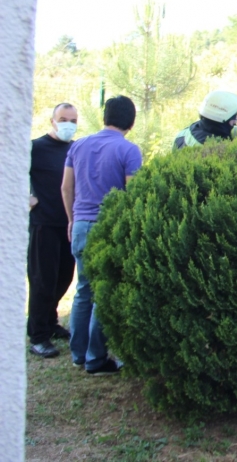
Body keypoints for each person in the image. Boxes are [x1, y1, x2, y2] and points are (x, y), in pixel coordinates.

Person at [61, 96, 143, 375]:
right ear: (131, 122)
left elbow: (65, 188)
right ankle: (96, 359)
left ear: (104, 116)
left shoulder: (78, 145)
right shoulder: (129, 150)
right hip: (107, 228)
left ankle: (78, 354)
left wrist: (72, 220)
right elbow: (131, 195)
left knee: (83, 290)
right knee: (103, 293)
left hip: (81, 225)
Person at [27, 103, 79, 359]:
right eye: (63, 118)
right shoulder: (35, 148)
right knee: (42, 281)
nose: (68, 123)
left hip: (68, 223)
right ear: (52, 121)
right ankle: (38, 336)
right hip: (43, 224)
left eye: (72, 119)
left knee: (63, 279)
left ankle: (51, 322)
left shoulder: (75, 148)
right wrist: (27, 196)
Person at [173, 90, 237, 150]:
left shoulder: (184, 133)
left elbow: (232, 130)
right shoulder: (213, 150)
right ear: (224, 120)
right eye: (234, 116)